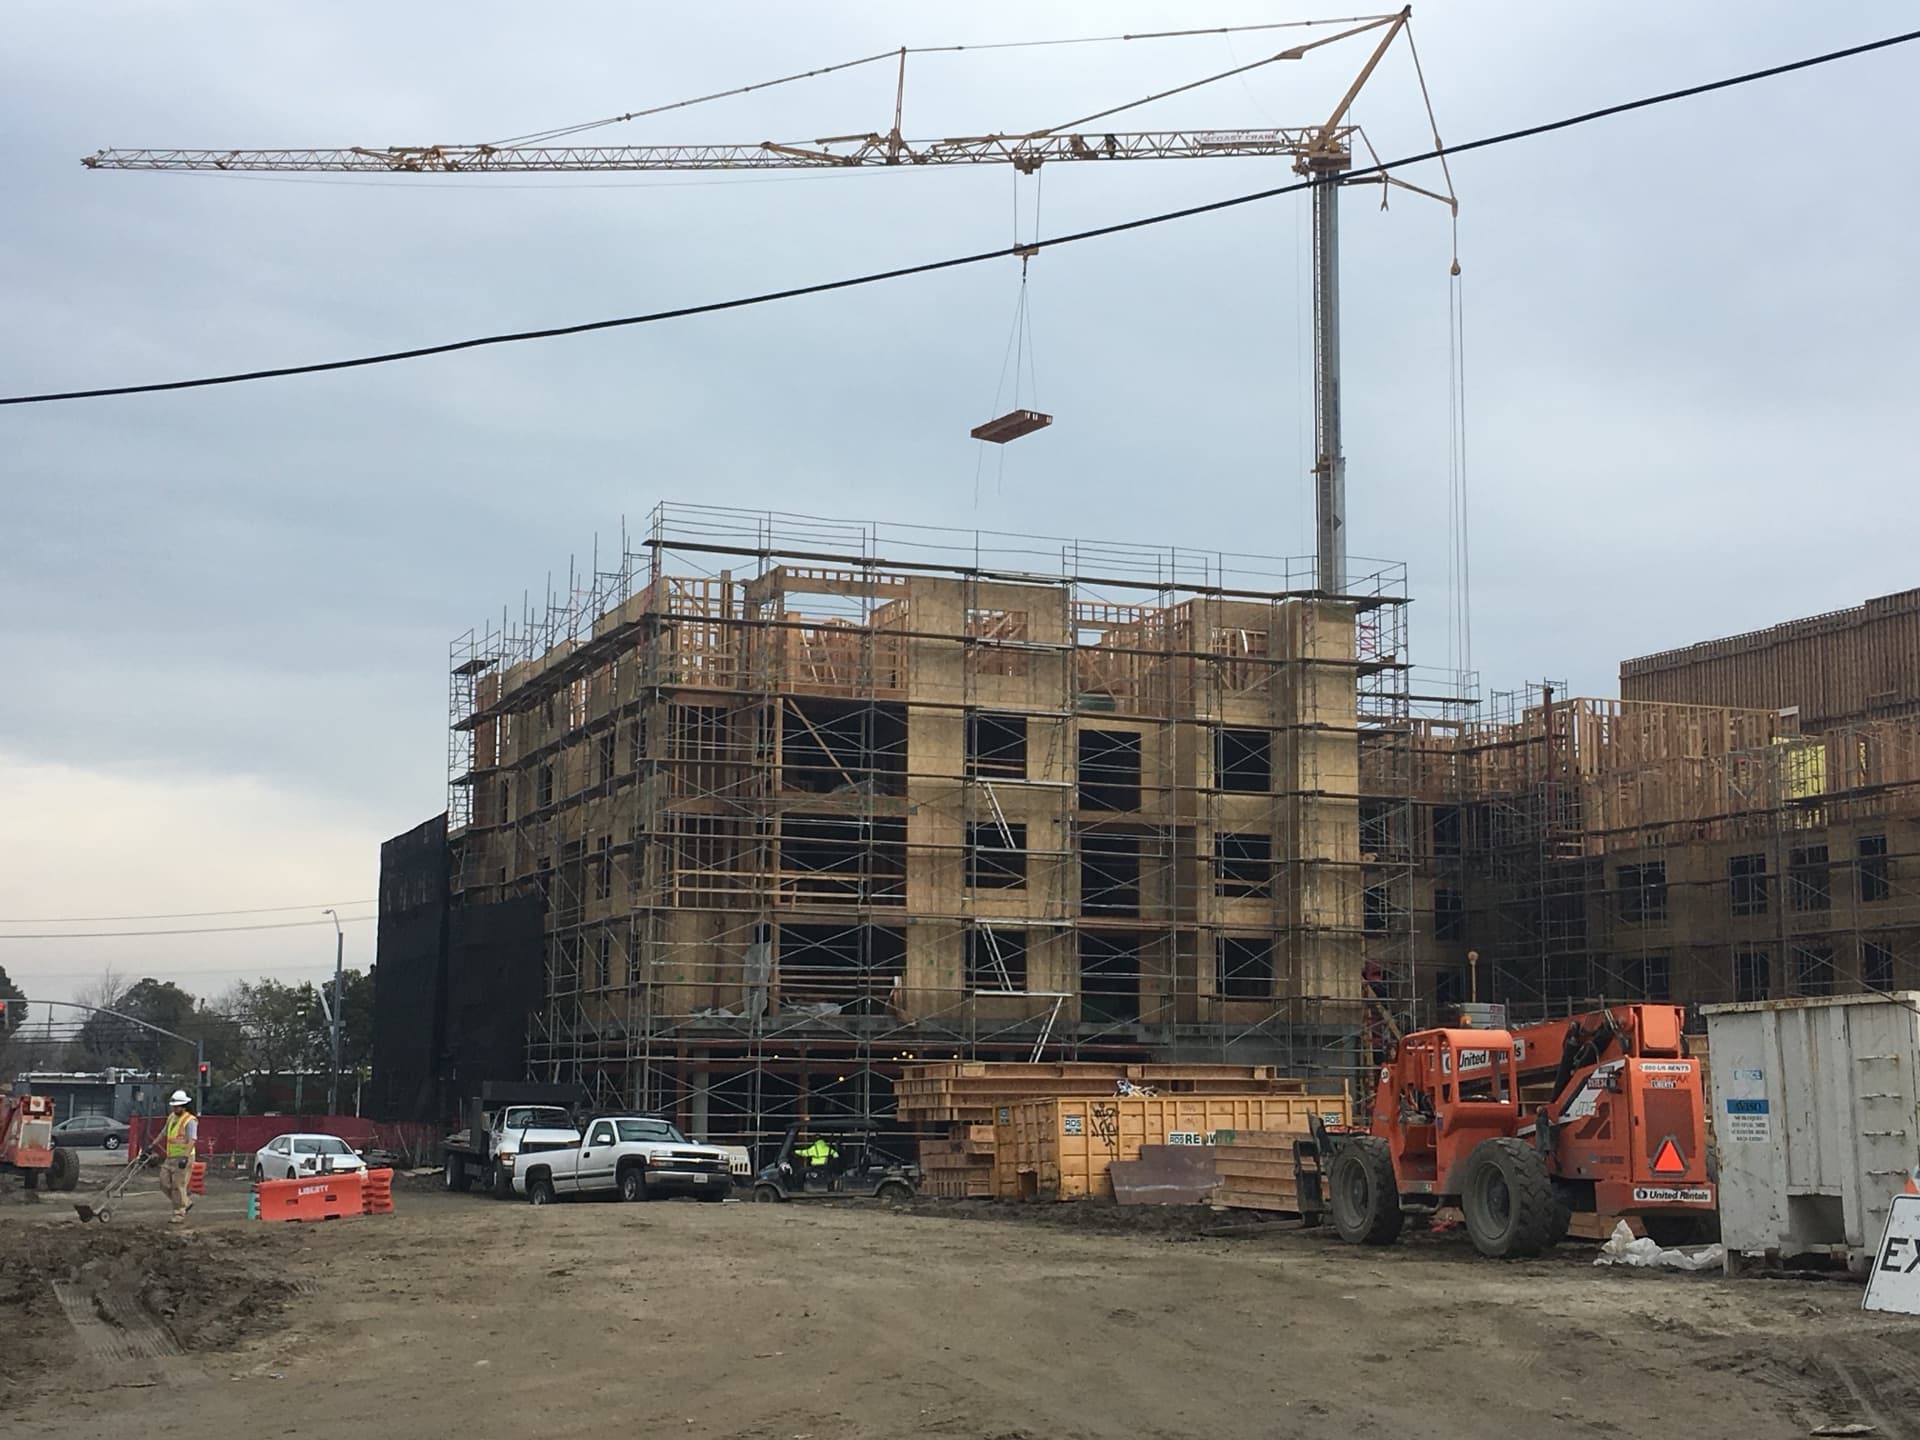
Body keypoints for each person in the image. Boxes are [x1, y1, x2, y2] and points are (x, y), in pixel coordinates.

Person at [148, 1090, 198, 1225]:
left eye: (177, 1106)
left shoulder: (190, 1120)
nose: (175, 1108)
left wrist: (185, 1157)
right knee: (164, 1183)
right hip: (170, 1157)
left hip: (183, 1157)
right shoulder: (171, 1117)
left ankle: (179, 1213)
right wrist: (152, 1145)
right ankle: (185, 1202)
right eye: (174, 1106)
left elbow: (192, 1140)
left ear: (184, 1106)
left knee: (178, 1186)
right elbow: (163, 1133)